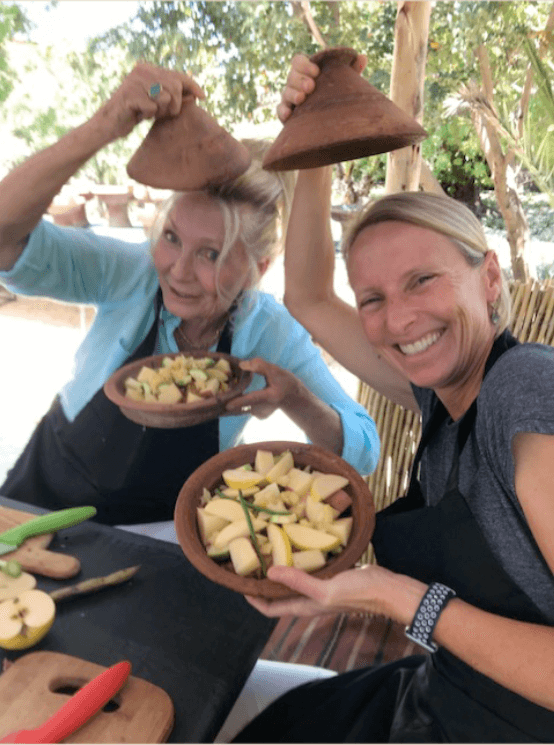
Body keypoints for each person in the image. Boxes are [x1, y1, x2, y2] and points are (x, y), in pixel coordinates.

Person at [233, 53, 554, 743]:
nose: (399, 319)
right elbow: (312, 295)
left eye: (423, 280)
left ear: (490, 278)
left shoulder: (526, 391)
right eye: (373, 298)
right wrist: (310, 147)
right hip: (451, 691)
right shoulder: (443, 390)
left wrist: (394, 595)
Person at [0, 62, 379, 529]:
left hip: (160, 536)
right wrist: (104, 126)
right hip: (37, 504)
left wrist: (296, 399)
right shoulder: (130, 273)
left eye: (211, 254)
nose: (177, 272)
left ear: (256, 269)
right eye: (173, 238)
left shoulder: (269, 331)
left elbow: (365, 446)